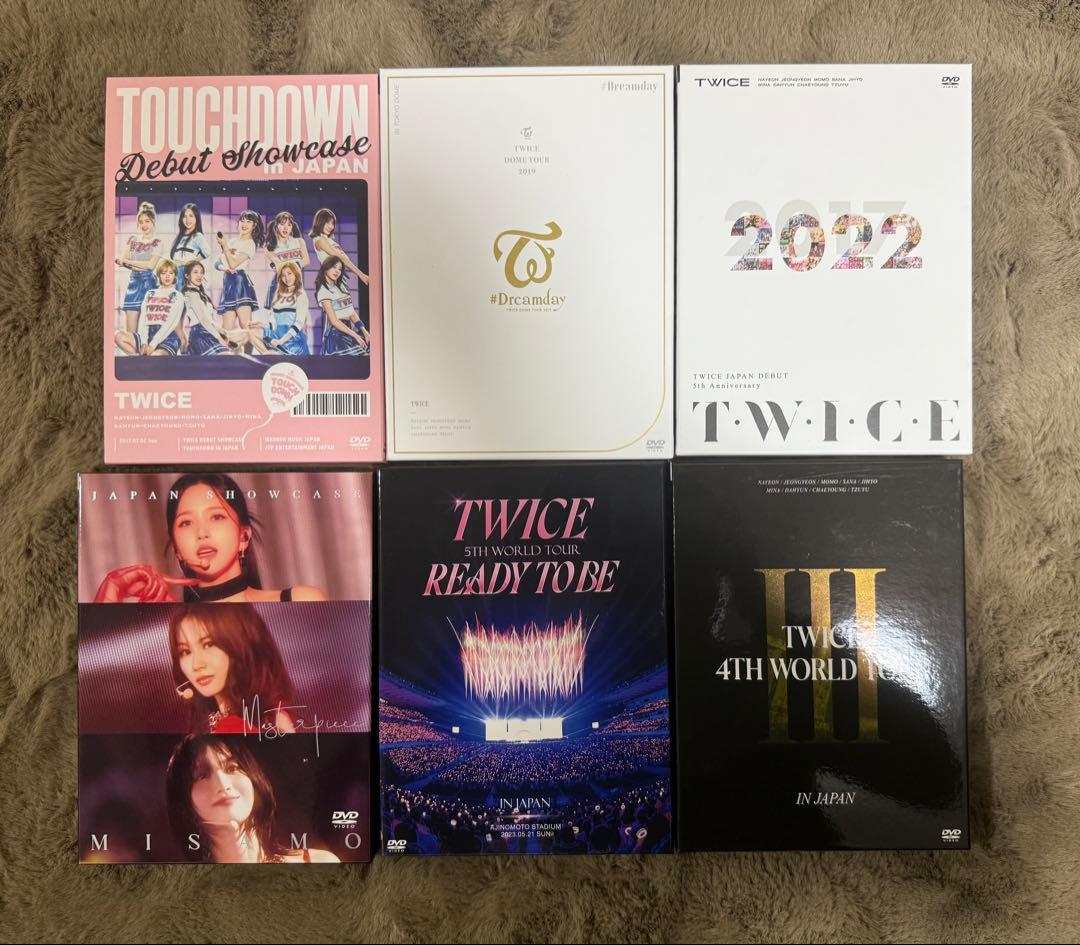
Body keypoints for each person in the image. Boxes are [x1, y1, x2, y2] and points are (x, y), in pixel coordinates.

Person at [92, 472, 328, 603]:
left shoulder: (301, 601)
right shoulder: (169, 627)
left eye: (216, 517)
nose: (201, 532)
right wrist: (111, 590)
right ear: (177, 549)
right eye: (186, 523)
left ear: (243, 536)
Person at [165, 735, 338, 863]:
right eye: (202, 775)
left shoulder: (319, 863)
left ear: (253, 779)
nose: (223, 784)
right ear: (184, 800)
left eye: (232, 768)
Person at [169, 604, 296, 734]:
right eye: (185, 652)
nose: (196, 665)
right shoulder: (206, 722)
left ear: (239, 643)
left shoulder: (272, 721)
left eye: (209, 644)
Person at [114, 259, 184, 356]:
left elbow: (170, 323)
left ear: (174, 276)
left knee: (155, 356)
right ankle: (140, 359)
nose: (167, 276)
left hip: (167, 337)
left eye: (171, 273)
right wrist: (144, 342)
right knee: (118, 336)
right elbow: (144, 319)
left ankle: (145, 360)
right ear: (159, 275)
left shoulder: (178, 296)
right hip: (148, 334)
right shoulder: (150, 293)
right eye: (164, 273)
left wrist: (152, 345)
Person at [115, 200, 164, 334]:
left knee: (150, 332)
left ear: (153, 221)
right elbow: (122, 261)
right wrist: (132, 264)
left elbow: (150, 266)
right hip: (133, 284)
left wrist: (129, 262)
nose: (143, 225)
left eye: (147, 221)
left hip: (149, 285)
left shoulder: (157, 242)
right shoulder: (133, 239)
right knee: (130, 333)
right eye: (141, 222)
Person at [215, 209, 264, 331]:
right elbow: (216, 263)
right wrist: (224, 268)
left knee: (246, 327)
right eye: (242, 221)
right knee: (226, 330)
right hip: (228, 284)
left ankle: (254, 344)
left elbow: (233, 264)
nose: (244, 224)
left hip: (241, 284)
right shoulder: (232, 241)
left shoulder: (250, 244)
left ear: (254, 225)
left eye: (248, 222)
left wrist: (224, 245)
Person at [315, 257, 369, 356]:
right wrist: (356, 336)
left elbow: (351, 313)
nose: (337, 271)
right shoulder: (323, 291)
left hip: (348, 331)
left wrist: (364, 332)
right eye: (334, 267)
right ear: (326, 268)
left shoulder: (341, 287)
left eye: (340, 269)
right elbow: (334, 321)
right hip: (336, 335)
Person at [309, 207, 369, 286]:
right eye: (327, 222)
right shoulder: (320, 240)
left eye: (332, 223)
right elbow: (341, 257)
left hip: (337, 278)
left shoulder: (327, 240)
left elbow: (343, 258)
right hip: (330, 280)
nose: (331, 226)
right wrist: (361, 275)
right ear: (320, 222)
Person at [263, 210, 309, 310]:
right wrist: (290, 267)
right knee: (276, 316)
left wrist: (289, 267)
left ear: (292, 227)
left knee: (300, 315)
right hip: (279, 285)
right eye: (282, 224)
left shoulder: (299, 241)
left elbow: (306, 260)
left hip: (297, 284)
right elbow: (277, 265)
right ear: (277, 226)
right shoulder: (270, 246)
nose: (285, 228)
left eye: (289, 225)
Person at [263, 261, 310, 355]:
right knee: (250, 334)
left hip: (293, 342)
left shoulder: (300, 294)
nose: (287, 278)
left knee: (269, 355)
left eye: (289, 273)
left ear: (296, 274)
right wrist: (264, 327)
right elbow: (273, 320)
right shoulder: (278, 294)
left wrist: (281, 341)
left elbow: (299, 323)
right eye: (283, 275)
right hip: (277, 338)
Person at [169, 202, 211, 289]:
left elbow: (207, 251)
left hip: (186, 273)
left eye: (191, 216)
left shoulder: (197, 236)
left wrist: (189, 263)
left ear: (196, 218)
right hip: (176, 273)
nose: (187, 220)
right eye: (184, 216)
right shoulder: (179, 237)